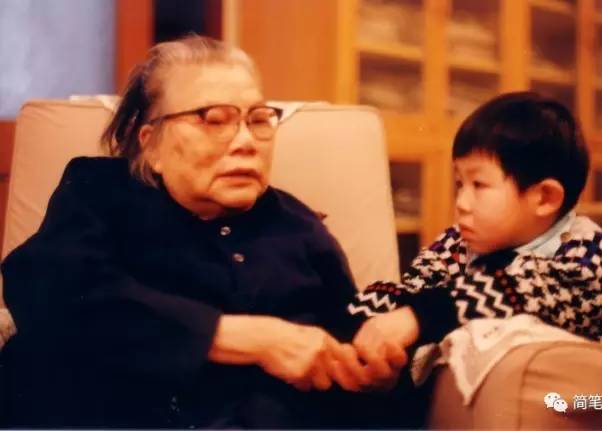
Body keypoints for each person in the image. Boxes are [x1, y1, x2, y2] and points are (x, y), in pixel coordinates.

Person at [1, 35, 379, 428]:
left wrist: (372, 369)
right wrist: (248, 339)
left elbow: (347, 342)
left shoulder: (298, 225)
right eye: (213, 119)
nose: (246, 142)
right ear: (151, 144)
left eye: (258, 120)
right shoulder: (99, 191)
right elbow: (46, 289)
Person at [348, 92, 602, 391]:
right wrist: (365, 327)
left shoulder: (588, 251)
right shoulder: (459, 242)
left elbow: (526, 290)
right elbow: (414, 290)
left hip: (591, 401)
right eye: (460, 184)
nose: (461, 202)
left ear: (544, 198)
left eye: (479, 185)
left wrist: (420, 317)